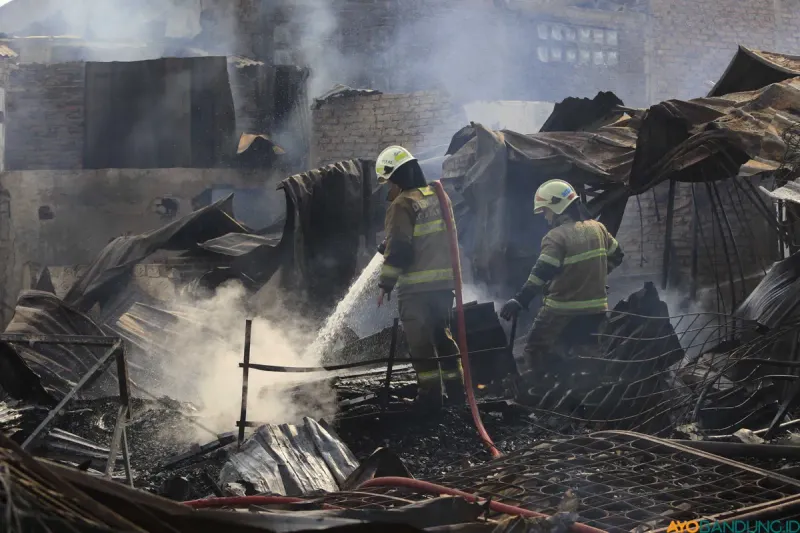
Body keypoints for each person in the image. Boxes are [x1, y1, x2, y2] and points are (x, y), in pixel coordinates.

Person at [500, 179, 624, 378]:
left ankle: (539, 391)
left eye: (546, 211)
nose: (545, 217)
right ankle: (586, 389)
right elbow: (617, 255)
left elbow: (541, 273)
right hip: (596, 309)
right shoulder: (598, 228)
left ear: (557, 206)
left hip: (561, 310)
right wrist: (594, 277)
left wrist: (519, 300)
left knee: (535, 350)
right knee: (587, 355)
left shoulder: (556, 237)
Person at [375, 145, 465, 409]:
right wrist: (390, 244)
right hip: (442, 286)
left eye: (388, 182)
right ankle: (457, 394)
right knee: (443, 339)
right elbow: (426, 238)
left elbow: (400, 250)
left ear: (396, 178)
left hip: (415, 290)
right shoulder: (438, 196)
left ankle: (430, 398)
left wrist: (385, 284)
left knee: (421, 346)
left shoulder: (402, 203)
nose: (388, 189)